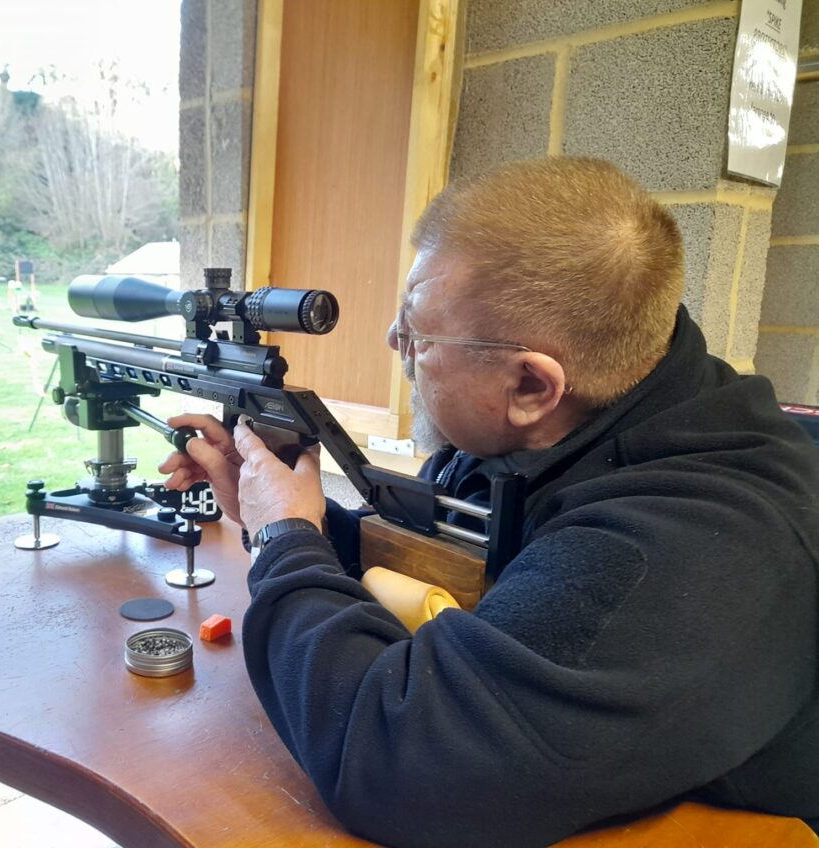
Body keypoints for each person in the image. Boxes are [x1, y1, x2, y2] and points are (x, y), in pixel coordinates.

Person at [160, 157, 819, 848]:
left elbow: (399, 766)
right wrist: (301, 521)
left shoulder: (687, 547)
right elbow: (468, 575)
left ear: (533, 386)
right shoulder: (576, 423)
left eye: (417, 332)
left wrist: (285, 541)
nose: (394, 344)